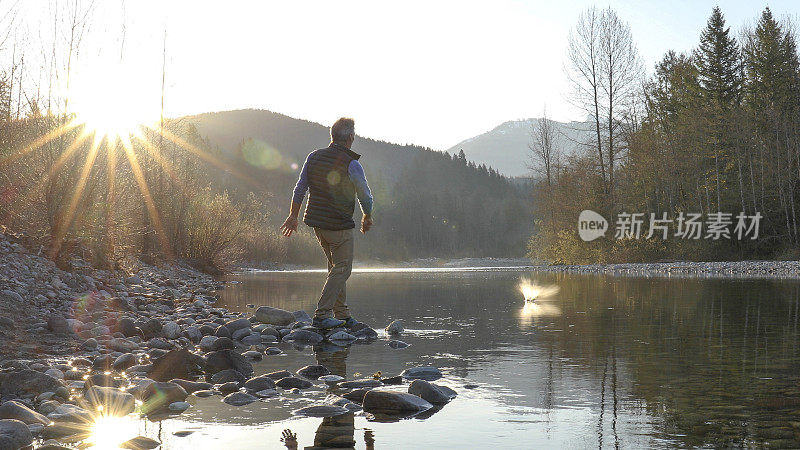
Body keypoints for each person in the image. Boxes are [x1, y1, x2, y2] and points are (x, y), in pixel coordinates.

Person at [281, 117, 374, 330]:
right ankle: (322, 314)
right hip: (339, 226)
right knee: (342, 268)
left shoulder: (313, 157)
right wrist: (367, 216)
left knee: (335, 268)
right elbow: (365, 196)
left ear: (332, 136)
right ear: (350, 137)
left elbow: (300, 188)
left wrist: (293, 216)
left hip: (318, 226)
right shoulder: (352, 163)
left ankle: (342, 314)